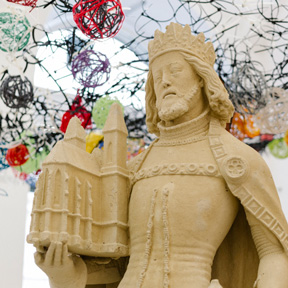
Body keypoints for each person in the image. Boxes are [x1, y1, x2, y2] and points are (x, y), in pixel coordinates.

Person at [34, 23, 288, 288]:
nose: (164, 80)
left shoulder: (237, 161)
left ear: (202, 78)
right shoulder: (135, 168)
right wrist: (64, 276)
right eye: (157, 76)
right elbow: (113, 260)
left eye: (175, 70)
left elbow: (275, 251)